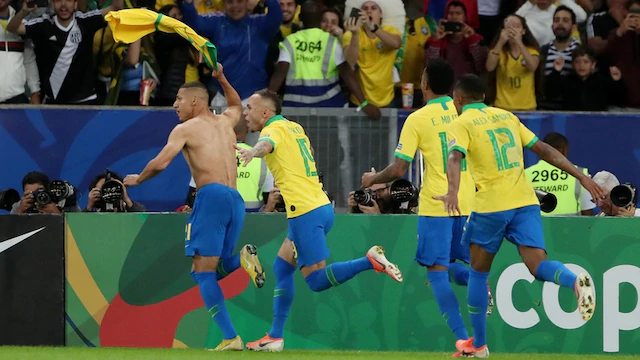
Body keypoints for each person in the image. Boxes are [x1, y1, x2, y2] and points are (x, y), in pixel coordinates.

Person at [434, 74, 604, 358]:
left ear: (458, 100)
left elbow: (454, 157)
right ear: (485, 98)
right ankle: (574, 280)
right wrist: (581, 177)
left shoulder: (460, 122)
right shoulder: (507, 117)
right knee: (538, 265)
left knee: (477, 272)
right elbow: (545, 150)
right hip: (525, 203)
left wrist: (452, 191)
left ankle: (478, 345)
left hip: (491, 204)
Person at [236, 89, 403, 352]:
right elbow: (309, 152)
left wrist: (251, 153)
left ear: (265, 113)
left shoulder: (272, 131)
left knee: (315, 281)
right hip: (317, 206)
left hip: (305, 212)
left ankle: (369, 261)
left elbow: (265, 145)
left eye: (249, 108)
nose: (245, 113)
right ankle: (275, 337)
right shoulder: (294, 128)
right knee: (282, 268)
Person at [123, 64, 265, 352]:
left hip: (211, 196)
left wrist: (138, 179)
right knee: (220, 267)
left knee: (201, 272)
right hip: (235, 200)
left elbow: (161, 162)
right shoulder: (226, 122)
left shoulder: (185, 128)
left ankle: (230, 338)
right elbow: (237, 104)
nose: (174, 104)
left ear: (196, 101)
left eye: (178, 99)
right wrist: (223, 78)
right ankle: (242, 261)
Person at [360, 58, 491, 357]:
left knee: (437, 273)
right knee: (461, 267)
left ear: (425, 84)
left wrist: (371, 180)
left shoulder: (418, 118)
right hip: (470, 203)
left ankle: (465, 343)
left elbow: (398, 169)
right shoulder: (464, 111)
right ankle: (477, 285)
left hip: (437, 205)